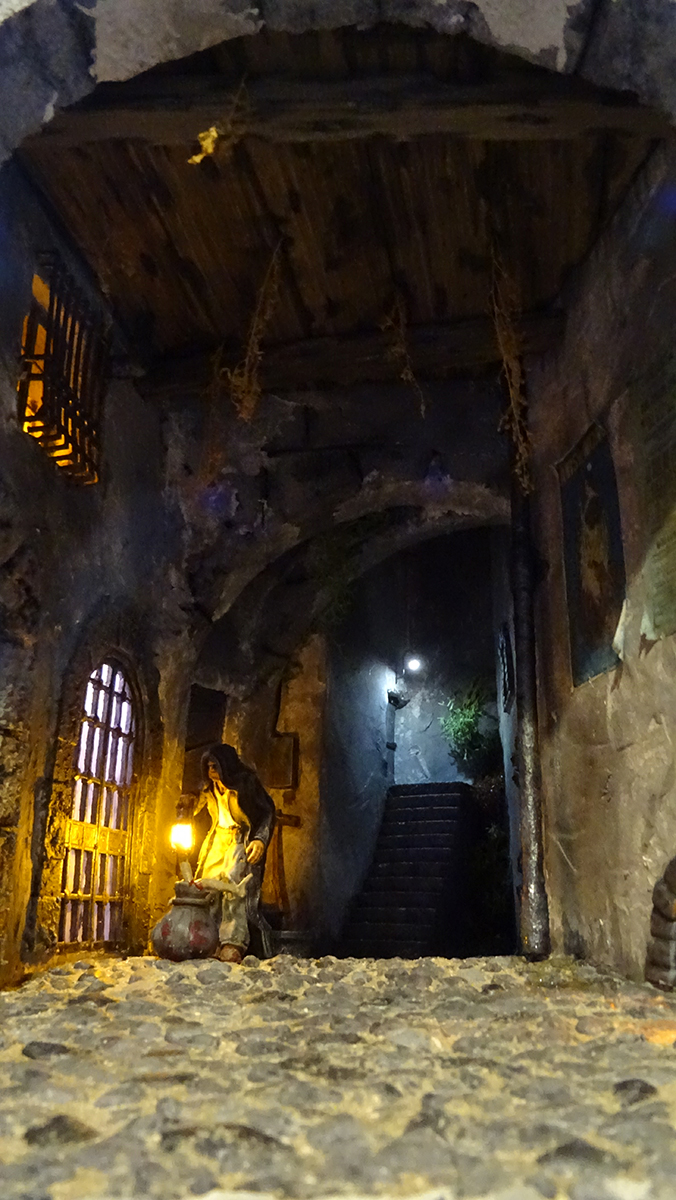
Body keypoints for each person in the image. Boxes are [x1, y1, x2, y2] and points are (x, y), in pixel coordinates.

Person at [191, 743, 275, 963]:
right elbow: (199, 810)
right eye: (209, 767)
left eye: (215, 766)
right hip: (218, 838)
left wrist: (259, 839)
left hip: (239, 838)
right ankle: (208, 938)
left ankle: (232, 940)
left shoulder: (246, 784)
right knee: (207, 885)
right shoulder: (209, 789)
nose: (212, 771)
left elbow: (266, 812)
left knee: (234, 886)